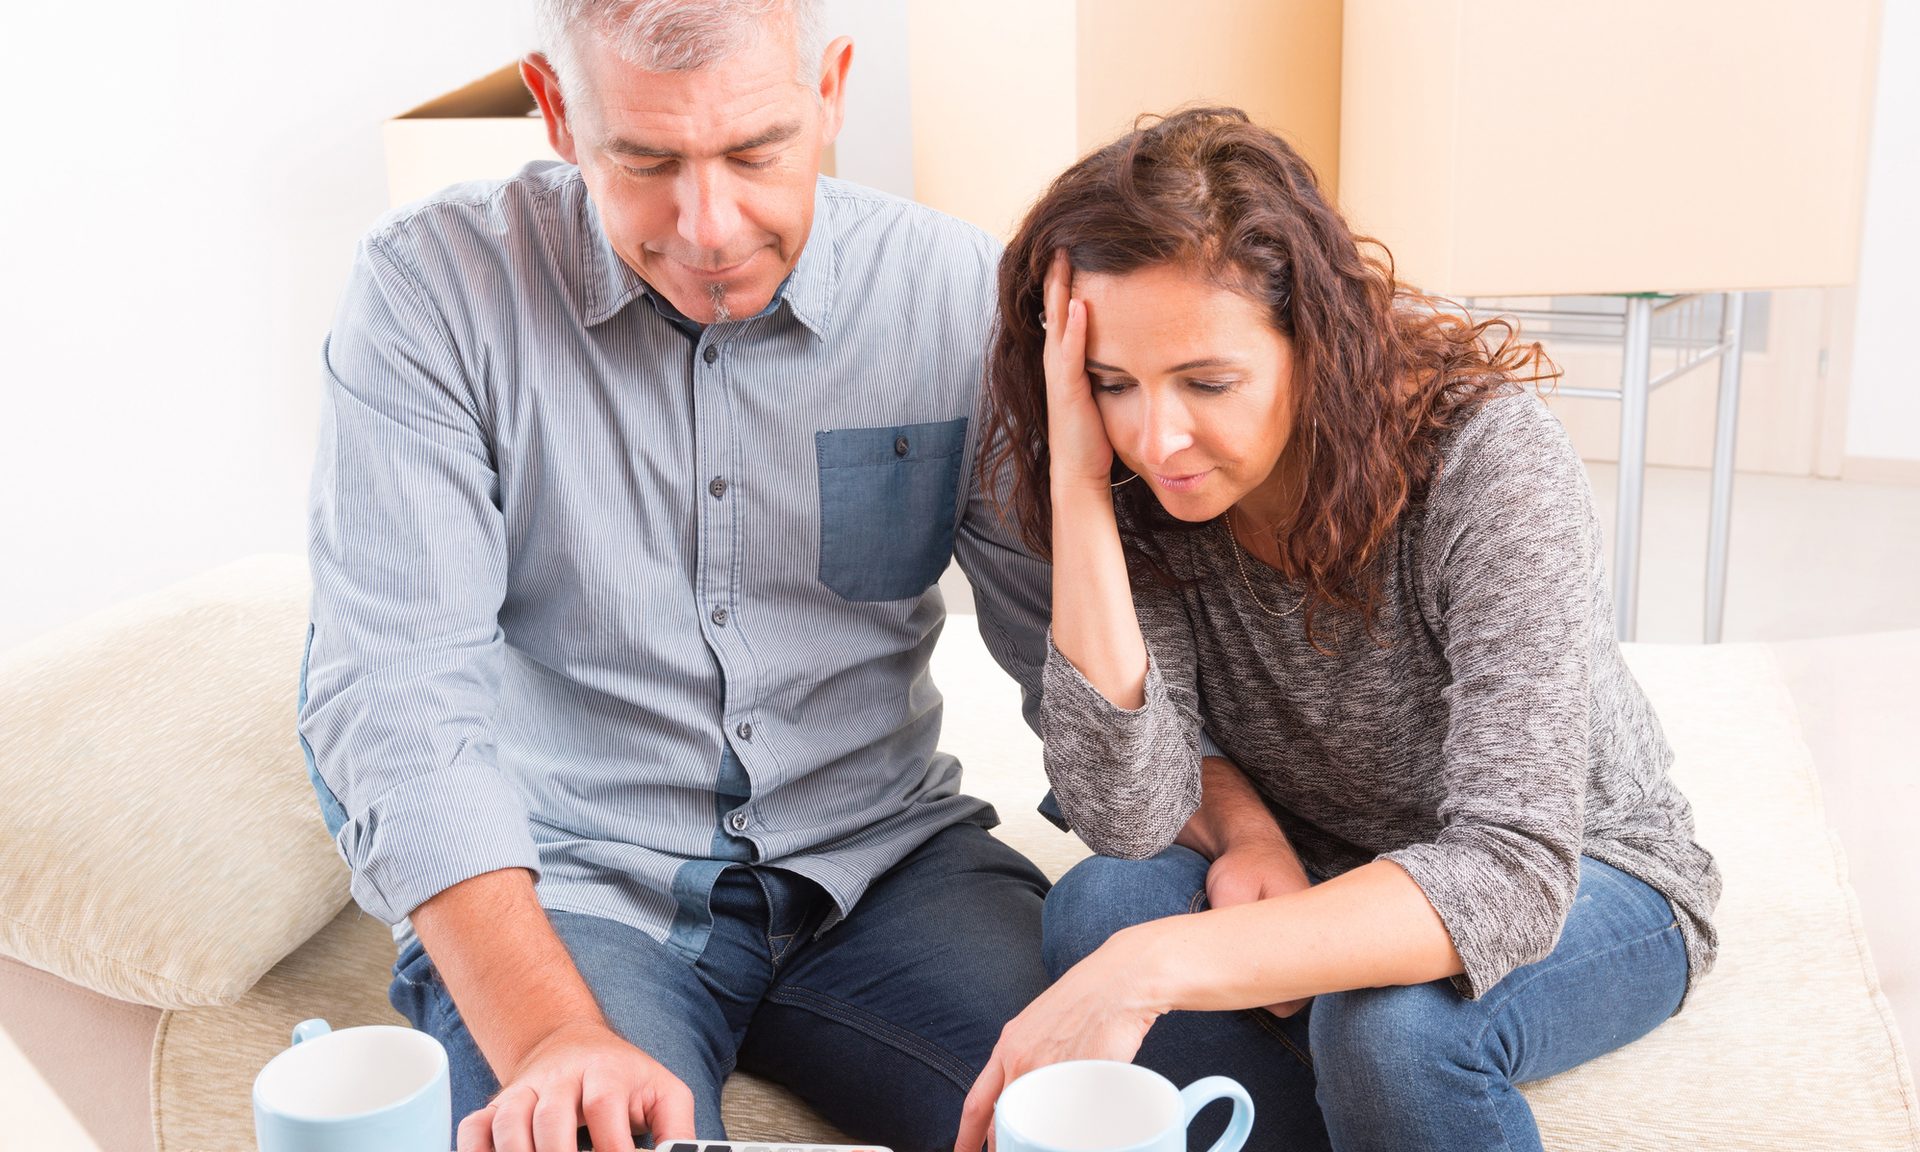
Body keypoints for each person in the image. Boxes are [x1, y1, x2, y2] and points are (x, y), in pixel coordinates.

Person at [297, 3, 1058, 1150]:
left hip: (888, 867)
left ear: (831, 92)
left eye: (757, 153)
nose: (709, 225)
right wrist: (554, 1038)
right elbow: (395, 699)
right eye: (645, 161)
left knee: (1145, 1111)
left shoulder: (954, 292)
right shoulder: (433, 292)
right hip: (576, 885)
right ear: (556, 110)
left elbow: (1073, 652)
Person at [954, 107, 1723, 1152]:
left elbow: (1509, 871)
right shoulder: (1137, 477)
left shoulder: (1490, 463)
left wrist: (1159, 969)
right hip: (1324, 854)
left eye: (1208, 382)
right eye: (1113, 384)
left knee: (1389, 1029)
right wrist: (1081, 484)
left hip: (1591, 870)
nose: (1157, 434)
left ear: (1311, 343)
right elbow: (1128, 811)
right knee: (1103, 904)